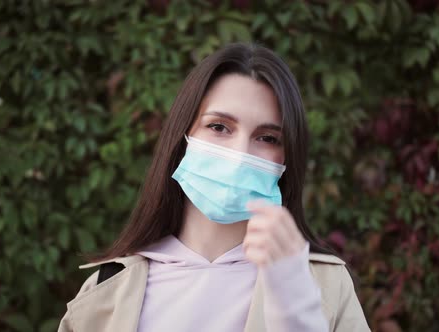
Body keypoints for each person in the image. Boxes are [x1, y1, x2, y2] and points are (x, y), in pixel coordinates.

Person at [58, 43, 370, 332]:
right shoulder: (104, 290)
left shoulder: (323, 285)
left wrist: (295, 305)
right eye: (219, 127)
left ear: (288, 156)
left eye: (267, 138)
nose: (240, 153)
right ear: (183, 135)